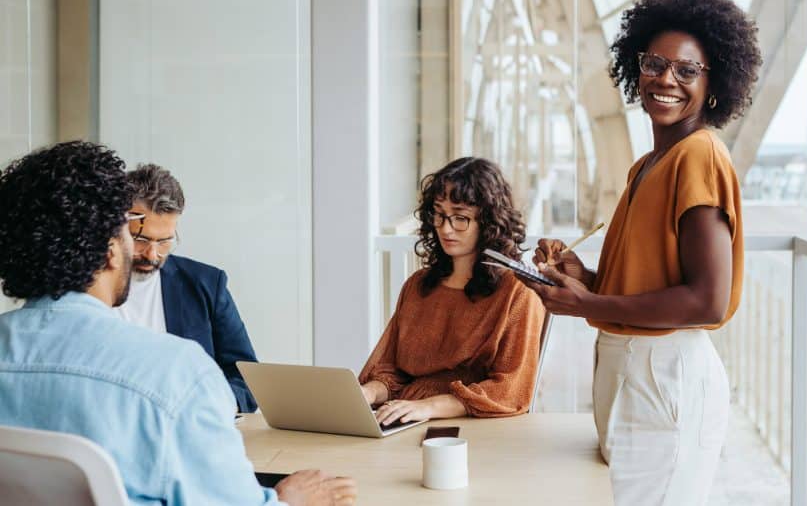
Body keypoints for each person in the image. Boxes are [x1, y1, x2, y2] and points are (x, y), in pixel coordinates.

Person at [0, 142, 357, 506]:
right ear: (110, 251)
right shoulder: (177, 374)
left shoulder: (199, 294)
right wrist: (286, 500)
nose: (148, 253)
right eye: (131, 233)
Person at [525, 0, 762, 506]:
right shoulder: (649, 165)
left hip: (665, 374)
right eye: (655, 64)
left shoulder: (698, 155)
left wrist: (588, 305)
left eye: (686, 70)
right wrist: (582, 276)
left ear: (714, 84)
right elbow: (646, 281)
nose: (666, 80)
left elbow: (707, 299)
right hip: (631, 370)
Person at [359, 157, 545, 426]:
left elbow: (510, 389)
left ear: (489, 222)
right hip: (404, 417)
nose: (446, 228)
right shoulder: (417, 285)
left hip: (472, 427)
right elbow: (390, 371)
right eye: (439, 214)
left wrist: (429, 407)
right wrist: (367, 393)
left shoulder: (518, 294)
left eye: (460, 218)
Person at [117, 164, 258, 412]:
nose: (152, 254)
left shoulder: (206, 284)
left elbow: (247, 379)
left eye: (164, 241)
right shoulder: (85, 286)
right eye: (141, 240)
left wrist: (208, 406)